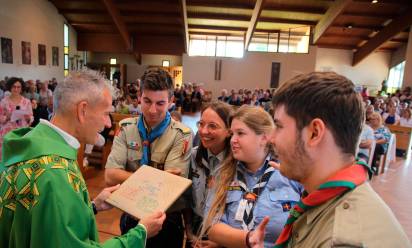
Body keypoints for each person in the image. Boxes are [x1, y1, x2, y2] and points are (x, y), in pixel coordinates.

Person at [0, 69, 166, 247]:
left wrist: (92, 206)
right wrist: (140, 233)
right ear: (82, 110)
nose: (108, 123)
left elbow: (45, 225)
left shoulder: (32, 146)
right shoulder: (55, 174)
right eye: (105, 113)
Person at [248, 72, 410, 247]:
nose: (272, 138)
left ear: (315, 133)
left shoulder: (343, 240)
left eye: (279, 126)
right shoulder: (327, 199)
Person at [105, 67, 193, 248]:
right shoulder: (125, 128)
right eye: (147, 101)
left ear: (171, 101)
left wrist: (130, 177)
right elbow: (110, 176)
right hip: (131, 216)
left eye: (160, 103)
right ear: (139, 98)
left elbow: (170, 187)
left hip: (166, 221)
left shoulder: (181, 134)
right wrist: (158, 178)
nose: (152, 110)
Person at [200, 105, 302, 248]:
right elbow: (211, 226)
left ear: (264, 138)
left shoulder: (290, 172)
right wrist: (248, 239)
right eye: (232, 133)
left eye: (240, 133)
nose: (232, 140)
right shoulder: (223, 173)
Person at [186, 101, 233, 246]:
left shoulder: (237, 163)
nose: (204, 131)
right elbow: (186, 197)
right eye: (201, 124)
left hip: (224, 233)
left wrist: (219, 243)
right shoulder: (192, 157)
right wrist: (188, 232)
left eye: (213, 126)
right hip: (194, 230)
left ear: (229, 131)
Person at [0, 77, 33, 159]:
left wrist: (28, 118)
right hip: (7, 132)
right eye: (14, 87)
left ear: (21, 88)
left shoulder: (26, 101)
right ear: (10, 87)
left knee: (20, 156)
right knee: (7, 156)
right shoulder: (4, 101)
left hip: (21, 132)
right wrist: (7, 117)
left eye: (18, 87)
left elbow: (31, 117)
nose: (16, 89)